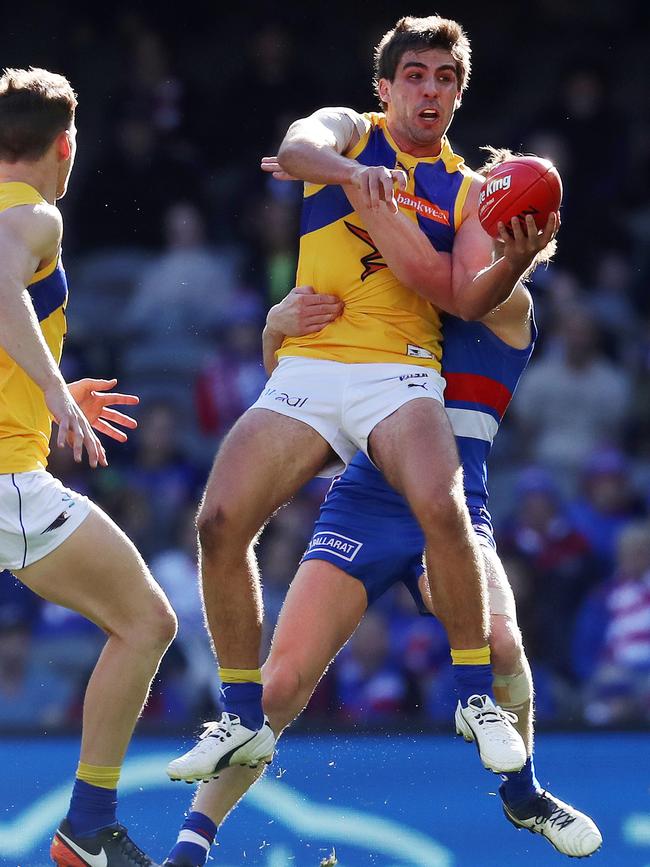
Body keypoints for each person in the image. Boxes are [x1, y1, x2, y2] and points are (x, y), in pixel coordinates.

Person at [162, 149, 599, 867]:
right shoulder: (399, 287)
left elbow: (470, 291)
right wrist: (277, 325)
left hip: (455, 506)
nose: (464, 225)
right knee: (281, 682)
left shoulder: (505, 302)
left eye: (480, 216)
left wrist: (387, 199)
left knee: (506, 648)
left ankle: (523, 791)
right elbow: (307, 400)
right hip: (364, 500)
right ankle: (191, 843)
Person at [167, 14, 557, 784]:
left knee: (442, 509)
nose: (430, 90)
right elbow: (293, 148)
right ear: (386, 87)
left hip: (398, 369)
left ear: (458, 95)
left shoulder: (468, 189)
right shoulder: (350, 133)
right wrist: (354, 175)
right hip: (307, 371)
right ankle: (240, 713)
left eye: (446, 79)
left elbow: (463, 296)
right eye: (415, 75)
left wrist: (511, 265)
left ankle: (475, 696)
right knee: (217, 522)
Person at [0, 67, 177, 867]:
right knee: (147, 621)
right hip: (7, 481)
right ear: (65, 144)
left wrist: (47, 392)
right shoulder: (35, 215)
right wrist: (50, 393)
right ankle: (87, 825)